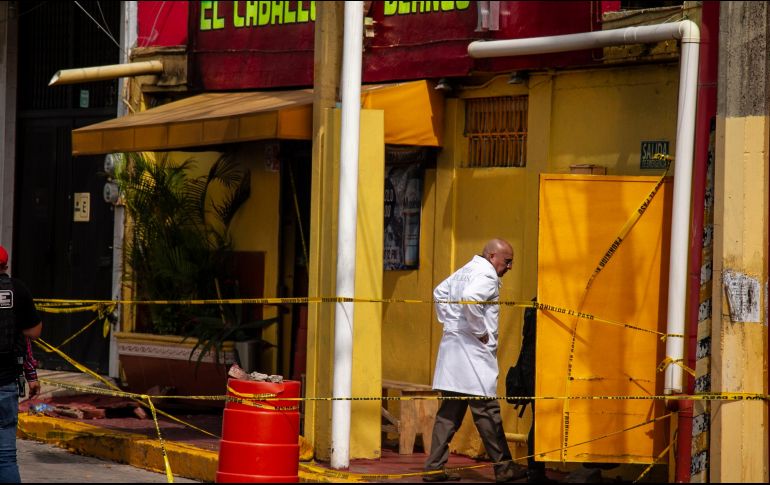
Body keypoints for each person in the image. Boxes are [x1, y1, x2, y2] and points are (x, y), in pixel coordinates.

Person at [423, 238, 527, 483]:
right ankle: (504, 468)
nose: (510, 267)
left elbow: (439, 292)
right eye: (507, 261)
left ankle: (434, 468)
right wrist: (478, 330)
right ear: (492, 257)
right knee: (487, 411)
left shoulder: (465, 271)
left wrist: (452, 324)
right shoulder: (487, 276)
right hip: (473, 354)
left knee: (448, 413)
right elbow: (470, 298)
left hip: (452, 352)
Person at [0, 245, 43, 482]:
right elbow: (31, 335)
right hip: (6, 383)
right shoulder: (18, 290)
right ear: (5, 266)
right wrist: (32, 375)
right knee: (6, 457)